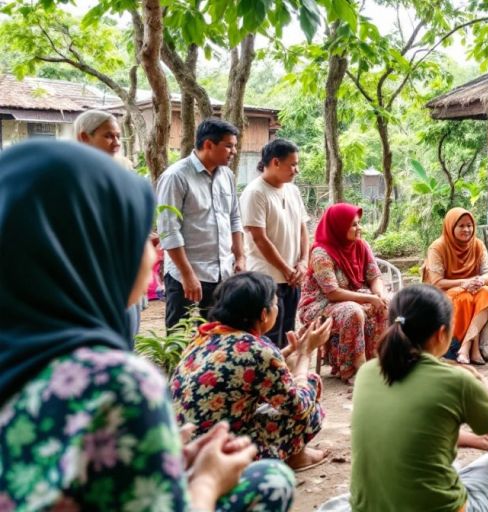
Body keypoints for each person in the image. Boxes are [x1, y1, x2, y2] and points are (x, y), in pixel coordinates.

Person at [0, 140, 294, 511]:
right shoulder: (112, 386)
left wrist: (160, 460)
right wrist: (206, 479)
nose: (154, 251)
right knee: (269, 480)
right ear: (93, 249)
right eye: (138, 233)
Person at [341, 284, 488, 512]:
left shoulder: (368, 373)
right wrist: (483, 384)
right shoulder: (457, 380)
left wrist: (474, 440)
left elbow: (415, 427)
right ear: (440, 334)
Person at [171, 272, 333, 471]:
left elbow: (243, 374)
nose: (277, 309)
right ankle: (296, 456)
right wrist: (305, 353)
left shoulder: (205, 336)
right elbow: (298, 406)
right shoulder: (258, 349)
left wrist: (288, 354)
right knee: (310, 387)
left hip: (188, 449)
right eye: (275, 304)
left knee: (284, 390)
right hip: (222, 456)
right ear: (264, 314)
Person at [157, 118, 245, 330]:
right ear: (208, 144)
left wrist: (240, 256)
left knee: (216, 336)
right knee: (180, 336)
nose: (233, 151)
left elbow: (234, 217)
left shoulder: (227, 175)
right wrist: (187, 275)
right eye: (229, 146)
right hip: (186, 275)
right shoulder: (175, 177)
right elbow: (169, 231)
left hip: (222, 272)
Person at [298, 203, 389, 382]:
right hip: (319, 304)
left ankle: (378, 361)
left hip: (352, 296)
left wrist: (379, 295)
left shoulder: (361, 246)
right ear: (339, 227)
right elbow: (332, 293)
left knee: (387, 303)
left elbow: (374, 276)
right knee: (352, 311)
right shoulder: (321, 253)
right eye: (354, 224)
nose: (359, 228)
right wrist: (369, 298)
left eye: (359, 223)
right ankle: (355, 368)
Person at [74, 109, 146, 337]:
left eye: (117, 136)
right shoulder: (71, 174)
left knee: (127, 337)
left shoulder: (123, 167)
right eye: (108, 136)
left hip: (125, 272)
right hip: (92, 278)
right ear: (84, 137)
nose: (116, 142)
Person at [240, 139, 310, 347]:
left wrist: (303, 262)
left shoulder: (292, 191)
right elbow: (259, 238)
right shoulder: (255, 193)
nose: (296, 170)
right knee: (269, 336)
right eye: (293, 164)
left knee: (288, 332)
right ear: (275, 163)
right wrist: (286, 269)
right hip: (267, 278)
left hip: (292, 278)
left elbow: (302, 229)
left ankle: (286, 375)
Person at [422, 207, 488, 365]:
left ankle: (465, 347)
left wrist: (478, 281)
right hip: (443, 293)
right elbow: (437, 282)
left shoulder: (477, 245)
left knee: (486, 293)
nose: (467, 230)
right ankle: (474, 348)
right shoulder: (438, 247)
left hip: (474, 290)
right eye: (461, 226)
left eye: (469, 226)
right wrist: (464, 283)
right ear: (451, 227)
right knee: (465, 298)